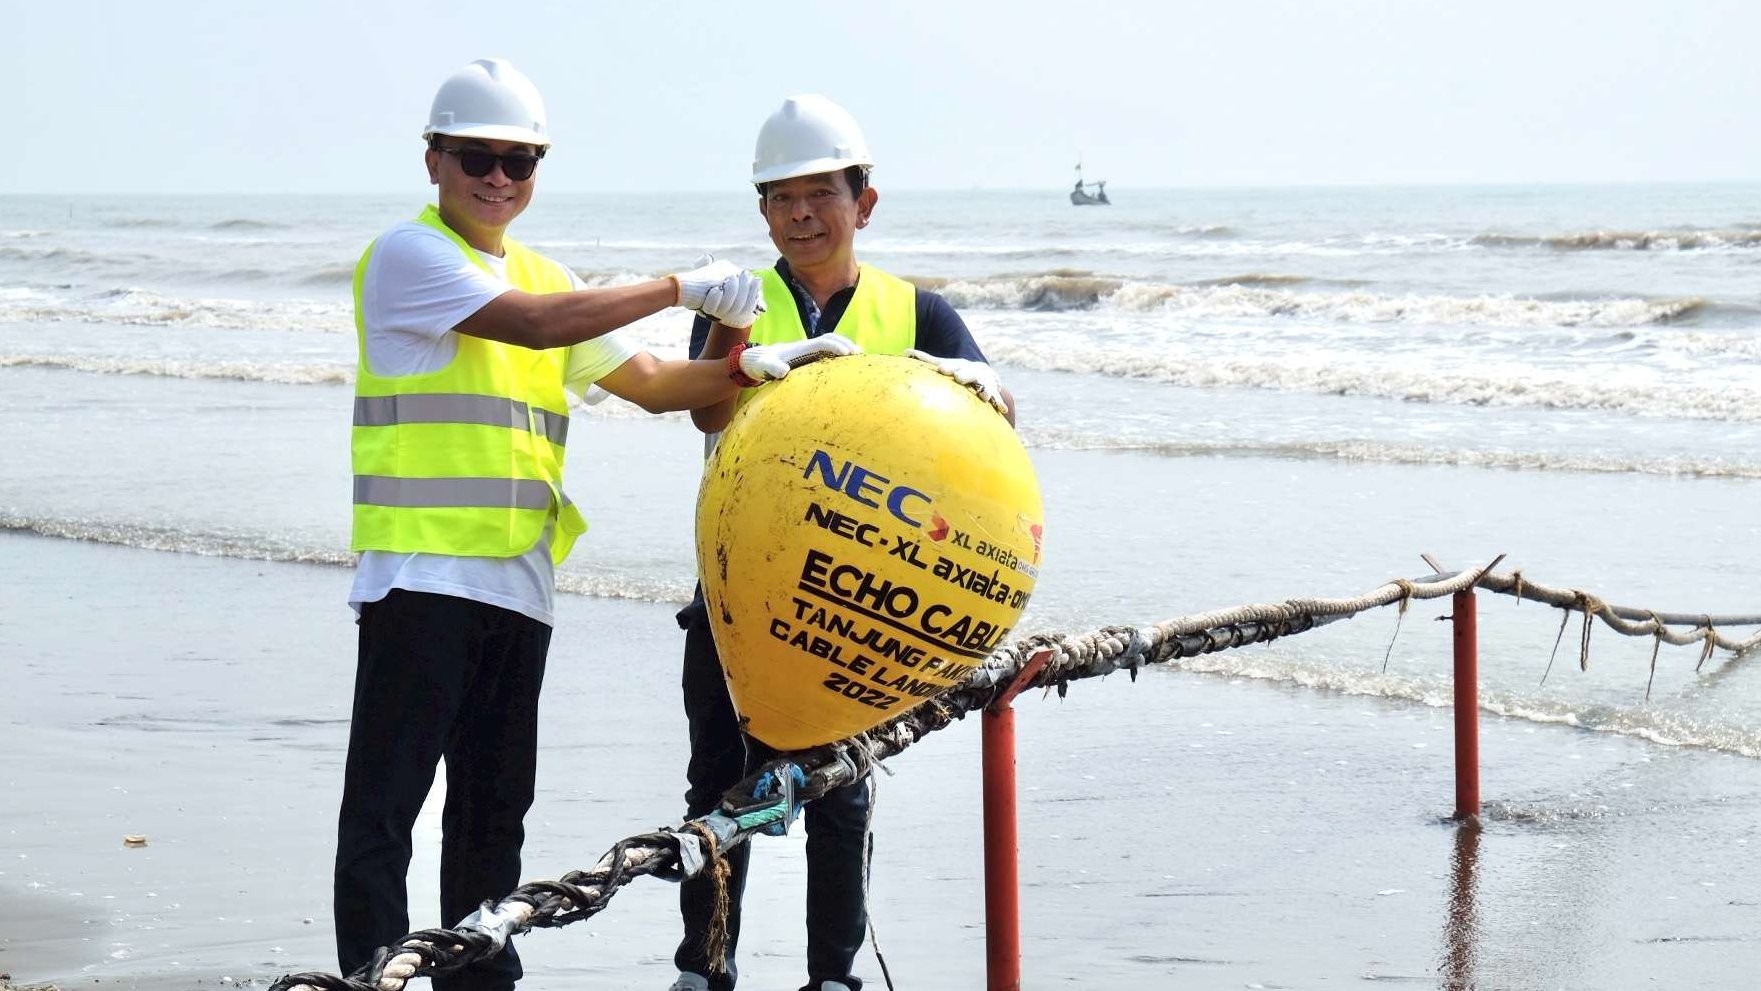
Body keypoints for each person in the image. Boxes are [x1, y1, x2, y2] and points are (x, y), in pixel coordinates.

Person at [333, 59, 856, 991]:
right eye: (478, 157)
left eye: (520, 161)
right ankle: (373, 977)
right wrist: (674, 288)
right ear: (434, 161)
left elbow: (659, 388)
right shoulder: (410, 257)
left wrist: (749, 349)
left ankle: (478, 981)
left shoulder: (546, 272)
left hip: (518, 588)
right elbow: (533, 326)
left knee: (493, 816)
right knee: (386, 811)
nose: (499, 178)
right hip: (418, 580)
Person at [669, 94, 1015, 991]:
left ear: (863, 201)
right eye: (780, 197)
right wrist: (742, 360)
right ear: (762, 211)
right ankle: (705, 969)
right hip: (738, 597)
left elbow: (994, 429)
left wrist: (973, 382)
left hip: (853, 599)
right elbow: (702, 408)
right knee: (717, 786)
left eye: (820, 193)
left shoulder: (917, 311)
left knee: (842, 789)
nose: (799, 214)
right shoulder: (739, 301)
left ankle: (833, 974)